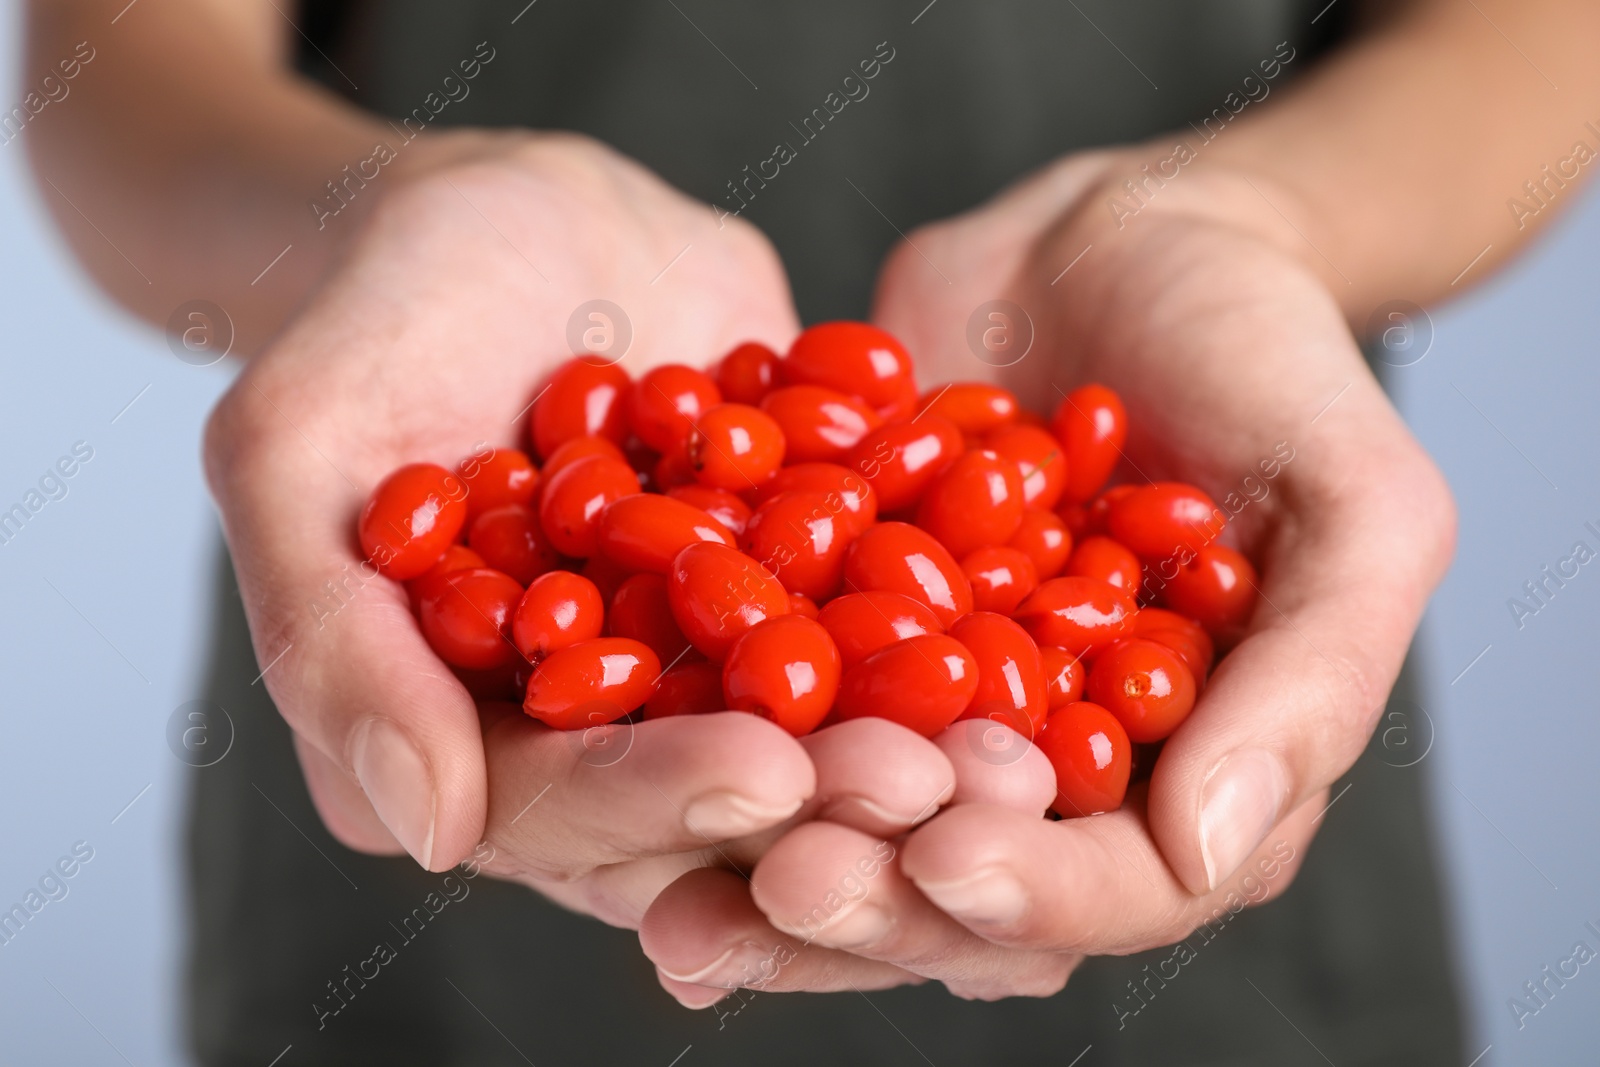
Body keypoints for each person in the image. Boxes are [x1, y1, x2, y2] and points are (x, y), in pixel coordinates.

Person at [22, 0, 1597, 1062]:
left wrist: (1263, 221)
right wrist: (380, 217)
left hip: (1224, 950)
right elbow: (117, 64)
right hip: (442, 910)